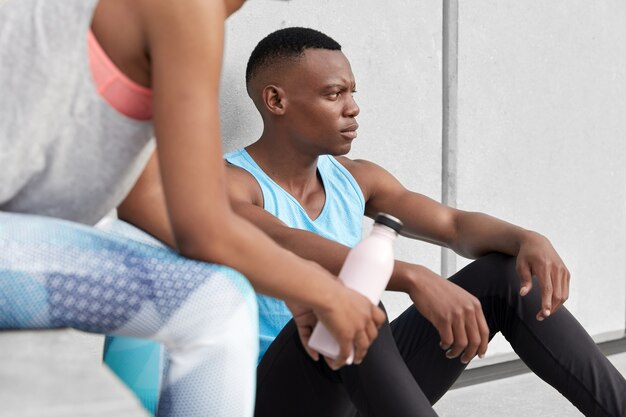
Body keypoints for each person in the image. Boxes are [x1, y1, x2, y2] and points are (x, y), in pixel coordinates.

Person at [0, 0, 385, 415]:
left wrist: (290, 285)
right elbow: (202, 227)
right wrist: (321, 288)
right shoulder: (187, 8)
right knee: (217, 304)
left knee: (193, 273)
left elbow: (145, 201)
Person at [221, 27, 626, 416]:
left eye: (352, 92)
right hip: (277, 397)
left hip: (365, 389)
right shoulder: (230, 184)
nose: (353, 107)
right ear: (276, 100)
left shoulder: (357, 178)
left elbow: (452, 225)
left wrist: (526, 239)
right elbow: (283, 243)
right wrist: (413, 277)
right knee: (354, 299)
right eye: (334, 93)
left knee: (504, 274)